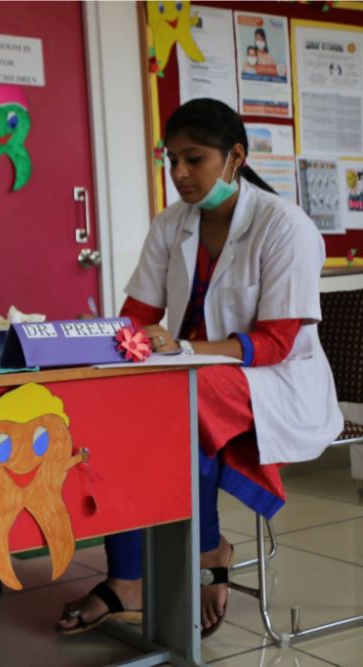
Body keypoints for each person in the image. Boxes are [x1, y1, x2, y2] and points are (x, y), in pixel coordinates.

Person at [55, 98, 342, 638]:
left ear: (234, 157)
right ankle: (136, 574)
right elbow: (137, 317)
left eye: (194, 159)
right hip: (195, 373)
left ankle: (190, 555)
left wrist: (183, 351)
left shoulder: (285, 227)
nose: (180, 174)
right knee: (116, 401)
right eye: (172, 161)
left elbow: (277, 342)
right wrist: (101, 337)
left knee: (180, 400)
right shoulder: (172, 224)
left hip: (273, 379)